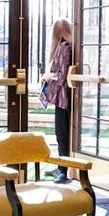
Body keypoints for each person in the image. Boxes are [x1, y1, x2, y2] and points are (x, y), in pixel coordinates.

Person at [40, 18, 75, 180]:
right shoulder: (69, 46)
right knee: (62, 134)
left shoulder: (64, 47)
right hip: (65, 99)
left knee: (62, 134)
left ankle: (63, 171)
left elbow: (61, 77)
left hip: (63, 99)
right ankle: (62, 167)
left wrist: (48, 76)